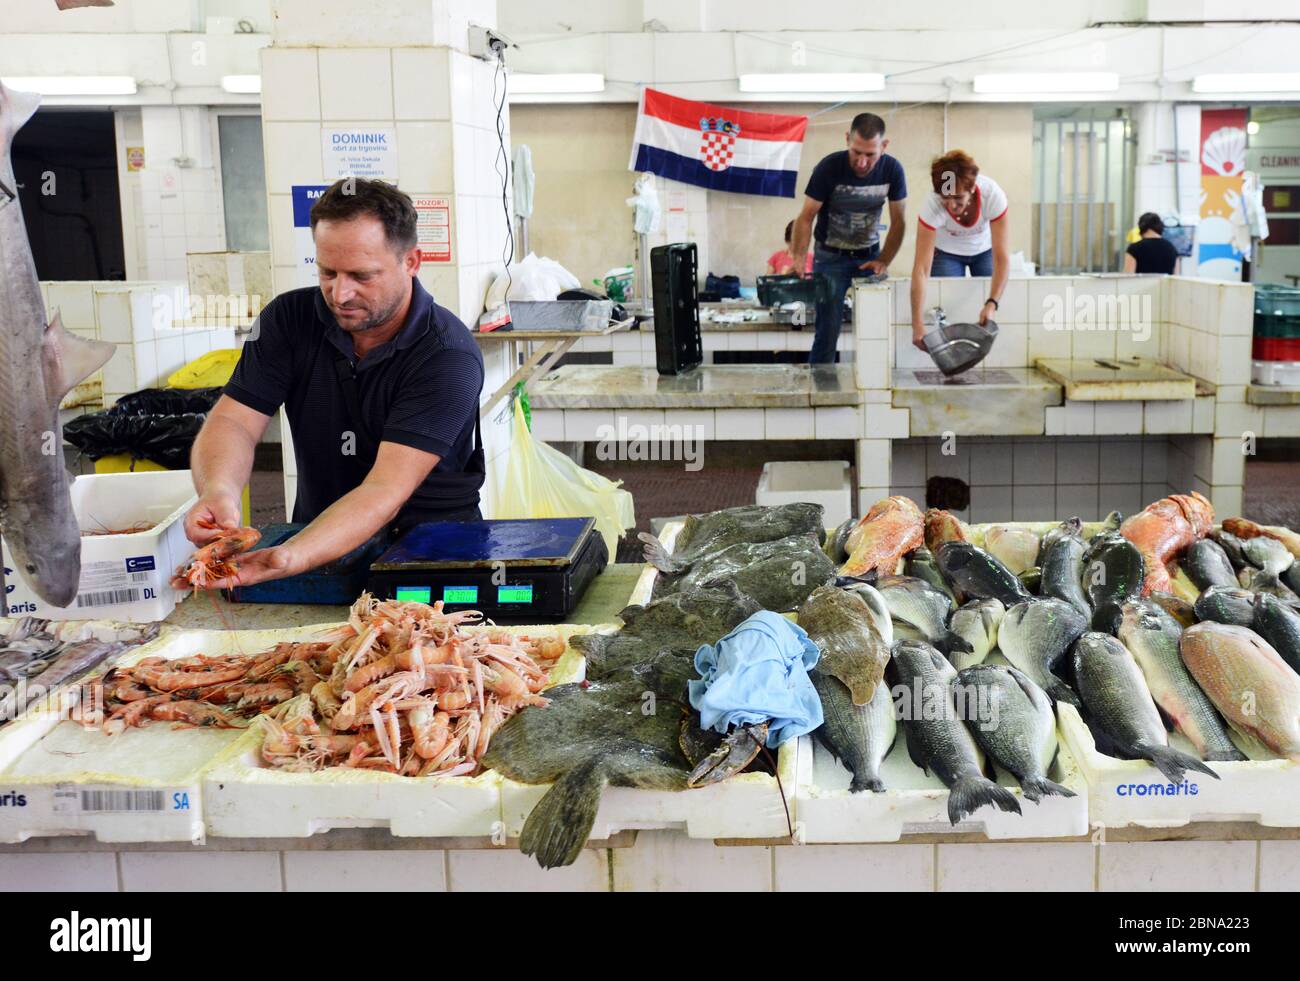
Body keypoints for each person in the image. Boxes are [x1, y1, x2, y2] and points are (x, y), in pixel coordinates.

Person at [180, 178, 486, 588]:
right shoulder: (288, 320)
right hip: (316, 545)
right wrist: (218, 489)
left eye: (362, 275)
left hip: (429, 558)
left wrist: (289, 558)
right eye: (328, 272)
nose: (340, 294)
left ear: (411, 262)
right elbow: (234, 421)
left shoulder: (447, 355)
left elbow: (383, 489)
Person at [789, 112, 907, 363]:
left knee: (876, 331)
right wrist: (799, 256)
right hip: (831, 258)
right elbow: (806, 216)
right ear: (847, 140)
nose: (862, 162)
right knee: (827, 332)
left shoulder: (893, 169)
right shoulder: (829, 167)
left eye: (870, 155)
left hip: (869, 258)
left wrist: (884, 259)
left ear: (884, 146)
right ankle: (821, 395)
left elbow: (899, 221)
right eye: (856, 153)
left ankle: (874, 393)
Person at [910, 149, 1010, 350]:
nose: (951, 206)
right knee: (950, 307)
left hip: (984, 250)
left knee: (992, 306)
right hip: (946, 252)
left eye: (958, 198)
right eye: (945, 199)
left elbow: (1002, 258)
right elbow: (921, 269)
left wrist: (992, 303)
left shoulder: (992, 194)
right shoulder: (932, 205)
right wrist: (917, 324)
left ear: (972, 188)